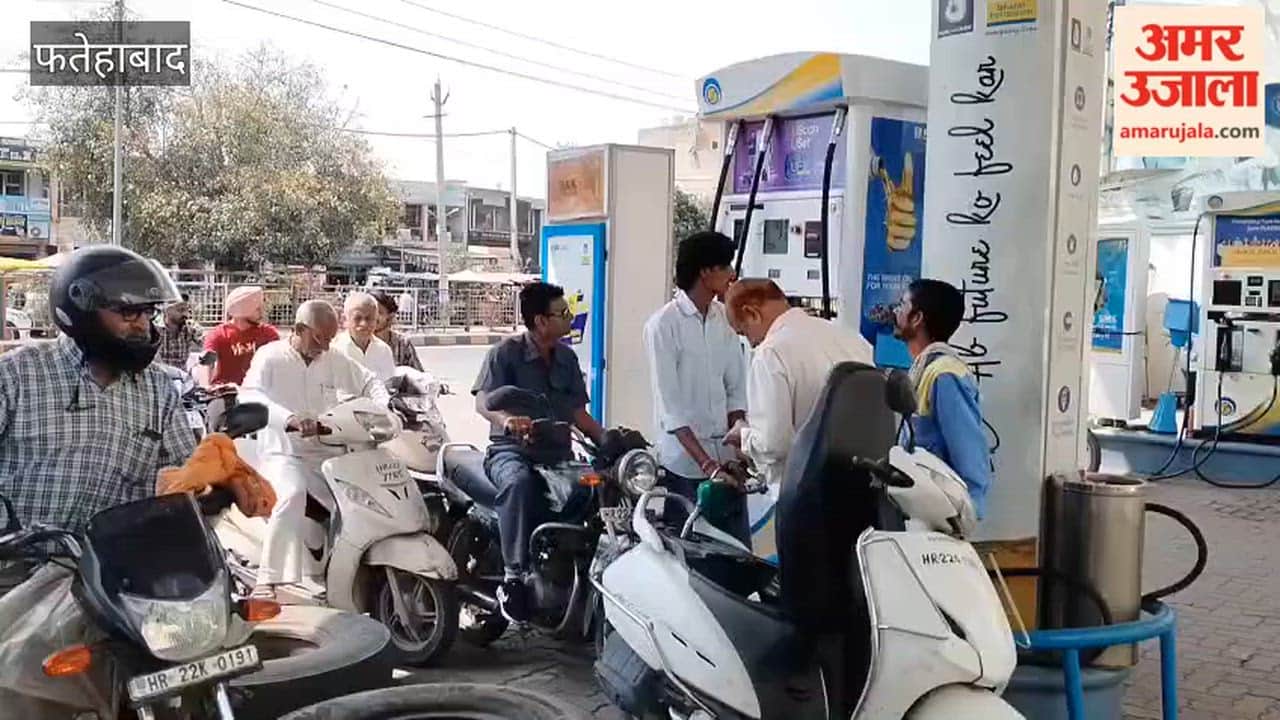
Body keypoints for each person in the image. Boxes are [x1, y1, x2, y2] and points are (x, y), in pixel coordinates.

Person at [0, 246, 197, 541]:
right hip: (14, 571)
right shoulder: (16, 375)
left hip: (108, 574)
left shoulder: (159, 390)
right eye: (129, 312)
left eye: (148, 312)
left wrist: (212, 488)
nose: (144, 326)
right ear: (81, 311)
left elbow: (186, 476)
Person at [239, 300, 392, 599]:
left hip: (327, 454)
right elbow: (250, 397)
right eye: (319, 338)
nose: (324, 347)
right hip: (283, 452)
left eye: (329, 339)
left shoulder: (333, 358)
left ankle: (339, 575)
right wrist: (290, 419)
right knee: (292, 494)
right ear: (298, 330)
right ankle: (268, 581)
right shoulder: (270, 357)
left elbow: (371, 381)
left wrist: (382, 408)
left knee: (360, 499)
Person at [472, 281, 605, 622]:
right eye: (563, 313)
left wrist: (610, 439)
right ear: (541, 321)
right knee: (518, 483)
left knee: (594, 487)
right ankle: (514, 576)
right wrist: (507, 421)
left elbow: (577, 413)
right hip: (511, 451)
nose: (569, 318)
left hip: (557, 453)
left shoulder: (566, 358)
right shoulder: (505, 354)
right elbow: (484, 402)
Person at [723, 279, 873, 559]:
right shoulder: (853, 340)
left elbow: (774, 443)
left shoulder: (771, 353)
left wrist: (743, 435)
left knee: (806, 594)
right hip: (861, 495)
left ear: (753, 313)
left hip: (806, 502)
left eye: (744, 333)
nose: (750, 341)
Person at [642, 231, 749, 544]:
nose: (733, 274)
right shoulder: (662, 326)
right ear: (705, 272)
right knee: (691, 558)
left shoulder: (724, 319)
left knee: (738, 552)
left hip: (727, 462)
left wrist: (738, 450)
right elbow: (670, 409)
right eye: (725, 266)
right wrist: (708, 466)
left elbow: (736, 388)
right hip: (686, 467)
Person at [892, 278, 993, 518]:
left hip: (941, 515)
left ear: (917, 318)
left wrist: (967, 512)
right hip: (921, 508)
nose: (896, 311)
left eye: (902, 304)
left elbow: (969, 452)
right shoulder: (924, 369)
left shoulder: (945, 375)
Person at [201, 286, 279, 387]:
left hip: (258, 391)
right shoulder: (218, 334)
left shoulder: (269, 334)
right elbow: (206, 363)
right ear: (243, 311)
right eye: (257, 309)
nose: (262, 312)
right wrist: (206, 386)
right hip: (226, 391)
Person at [333, 292, 396, 382]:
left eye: (369, 318)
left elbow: (389, 387)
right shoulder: (335, 350)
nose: (364, 324)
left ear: (376, 320)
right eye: (357, 318)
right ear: (345, 319)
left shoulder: (384, 351)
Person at [373, 291, 424, 372]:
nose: (372, 317)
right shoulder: (359, 342)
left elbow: (419, 376)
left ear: (390, 316)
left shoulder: (402, 343)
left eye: (378, 312)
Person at [156, 293, 205, 368]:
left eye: (187, 310)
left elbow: (206, 339)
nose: (186, 314)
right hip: (159, 376)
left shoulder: (190, 327)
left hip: (181, 376)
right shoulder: (154, 328)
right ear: (167, 310)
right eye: (181, 310)